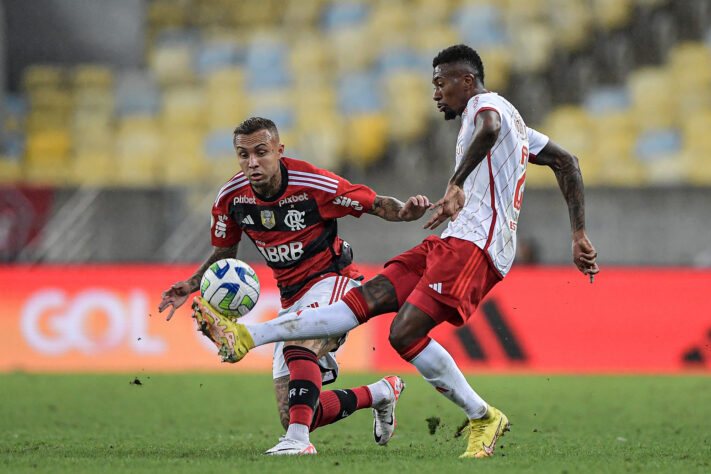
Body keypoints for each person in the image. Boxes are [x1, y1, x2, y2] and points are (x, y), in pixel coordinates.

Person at [193, 45, 600, 458]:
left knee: (403, 334)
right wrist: (578, 233)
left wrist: (456, 182)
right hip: (452, 239)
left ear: (467, 80)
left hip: (478, 246)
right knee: (361, 303)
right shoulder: (514, 121)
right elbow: (566, 161)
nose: (436, 94)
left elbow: (491, 127)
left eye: (441, 84)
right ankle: (248, 335)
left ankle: (482, 416)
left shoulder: (486, 106)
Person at [159, 117, 430, 455]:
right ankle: (381, 393)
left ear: (279, 150)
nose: (253, 162)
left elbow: (372, 203)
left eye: (261, 152)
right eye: (244, 155)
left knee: (297, 346)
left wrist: (404, 212)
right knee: (297, 412)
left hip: (333, 279)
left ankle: (299, 443)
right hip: (291, 295)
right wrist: (192, 284)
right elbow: (224, 252)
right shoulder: (232, 198)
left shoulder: (312, 182)